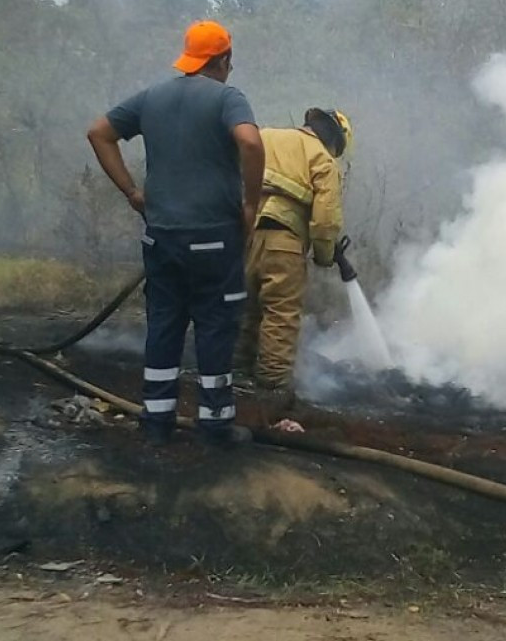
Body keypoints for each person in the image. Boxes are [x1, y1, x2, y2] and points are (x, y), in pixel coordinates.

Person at [86, 20, 265, 447]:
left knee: (164, 324)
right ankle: (216, 425)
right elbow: (252, 143)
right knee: (216, 325)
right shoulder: (227, 97)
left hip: (161, 238)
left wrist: (133, 192)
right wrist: (252, 204)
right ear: (223, 60)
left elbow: (98, 133)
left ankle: (157, 421)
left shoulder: (153, 98)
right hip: (214, 238)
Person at [233, 108, 352, 405]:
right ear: (334, 140)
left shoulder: (266, 136)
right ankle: (271, 387)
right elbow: (325, 221)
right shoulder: (323, 160)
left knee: (244, 305)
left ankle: (233, 371)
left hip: (243, 235)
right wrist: (324, 256)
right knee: (280, 313)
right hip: (284, 242)